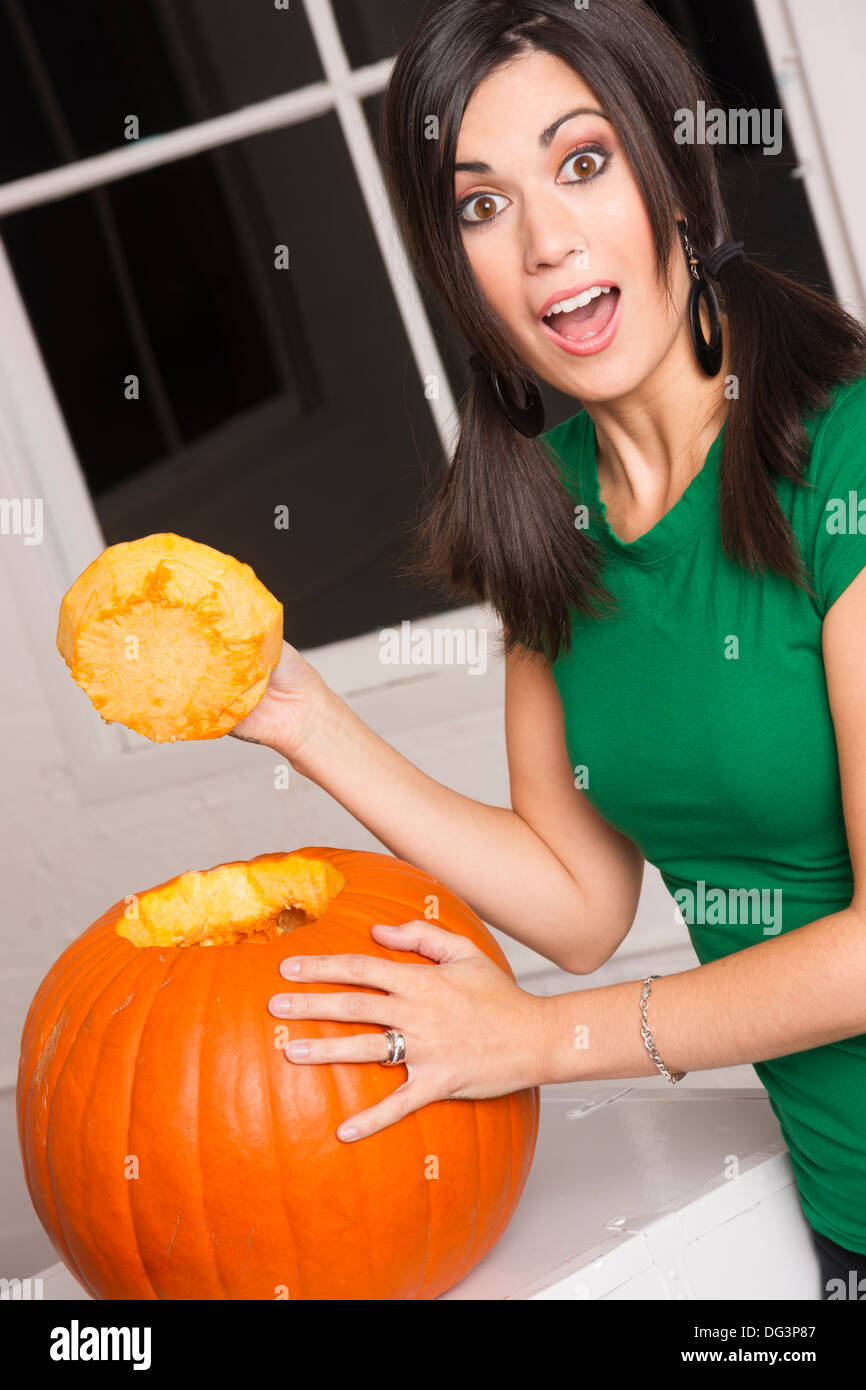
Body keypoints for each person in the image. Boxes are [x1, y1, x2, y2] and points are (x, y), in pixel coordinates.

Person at [231, 0, 866, 1299]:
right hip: (839, 1191)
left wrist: (535, 1042)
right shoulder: (547, 507)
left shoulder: (842, 454)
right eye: (479, 206)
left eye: (582, 164)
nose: (544, 242)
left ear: (670, 176)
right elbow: (579, 903)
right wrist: (303, 715)